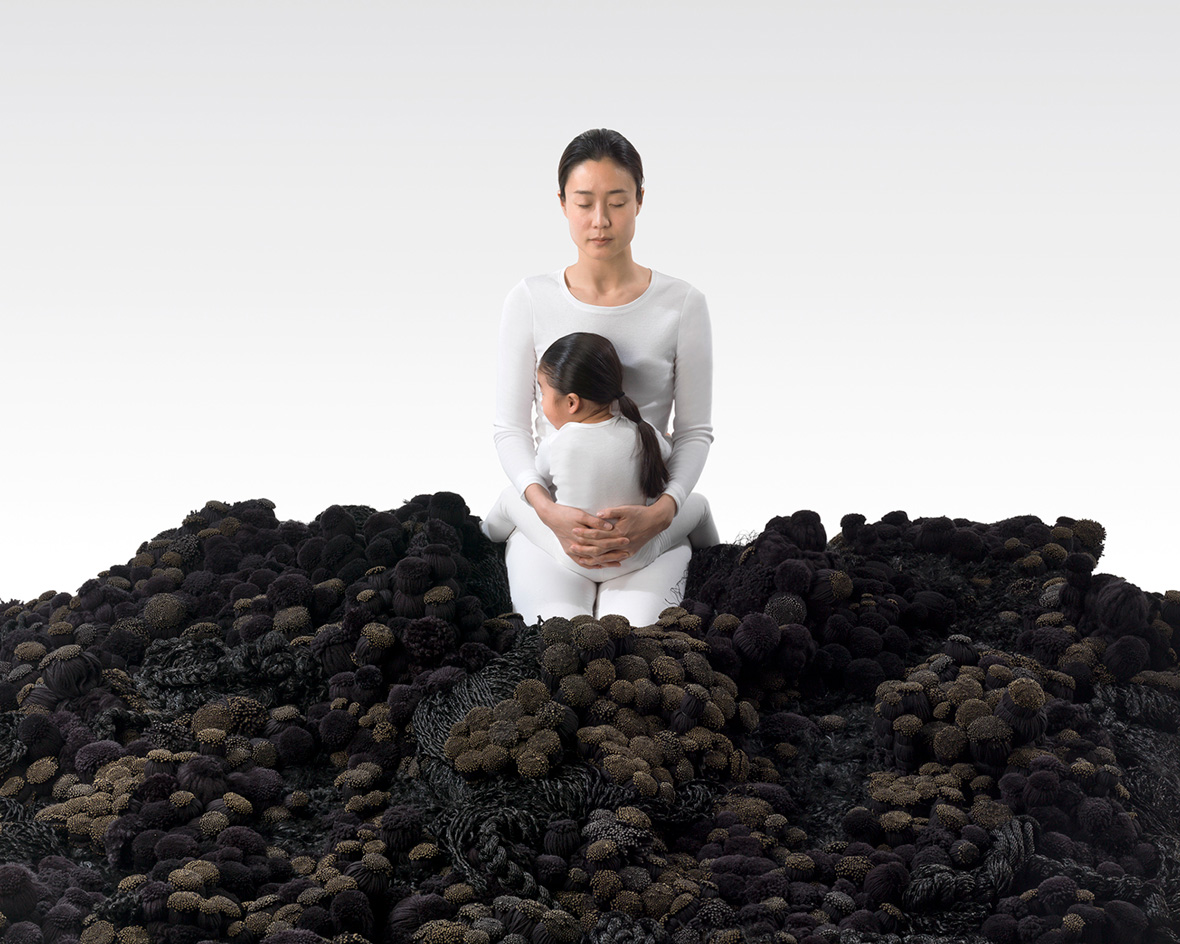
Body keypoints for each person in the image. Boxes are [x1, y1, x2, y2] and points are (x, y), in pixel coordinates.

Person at [490, 128, 714, 625]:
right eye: (584, 202)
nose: (600, 220)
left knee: (636, 638)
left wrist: (662, 513)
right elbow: (510, 428)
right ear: (562, 203)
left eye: (616, 202)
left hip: (648, 525)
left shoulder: (682, 304)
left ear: (639, 200)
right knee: (556, 635)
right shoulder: (529, 299)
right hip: (555, 527)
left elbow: (694, 431)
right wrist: (546, 511)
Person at [483, 331, 717, 593]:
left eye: (543, 393)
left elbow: (540, 480)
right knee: (700, 505)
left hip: (574, 554)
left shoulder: (556, 443)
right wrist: (669, 440)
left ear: (571, 402)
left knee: (510, 496)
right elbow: (668, 454)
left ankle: (481, 542)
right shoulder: (644, 433)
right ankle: (721, 563)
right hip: (634, 556)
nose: (542, 402)